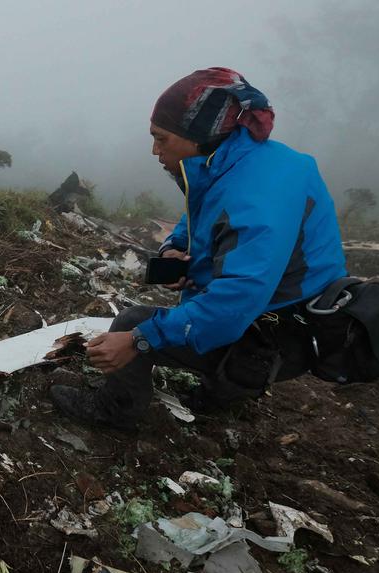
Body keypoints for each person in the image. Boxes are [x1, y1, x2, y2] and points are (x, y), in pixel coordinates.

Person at [50, 67, 348, 431]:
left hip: (281, 330)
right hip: (286, 311)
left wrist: (140, 340)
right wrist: (177, 246)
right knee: (195, 322)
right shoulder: (248, 161)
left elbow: (234, 302)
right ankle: (223, 390)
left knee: (131, 323)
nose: (154, 150)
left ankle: (117, 411)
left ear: (197, 135)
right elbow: (206, 215)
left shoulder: (258, 200)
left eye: (161, 138)